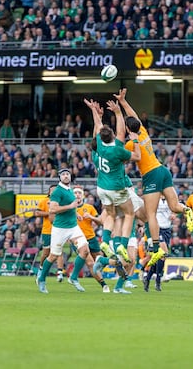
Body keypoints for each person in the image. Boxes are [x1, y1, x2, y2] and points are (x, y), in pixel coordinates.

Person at [113, 88, 193, 267]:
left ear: (127, 129)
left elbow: (120, 147)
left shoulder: (129, 143)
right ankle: (187, 210)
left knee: (150, 214)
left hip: (151, 175)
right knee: (174, 206)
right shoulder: (143, 132)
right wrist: (124, 102)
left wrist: (118, 114)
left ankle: (156, 247)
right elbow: (134, 117)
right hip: (163, 169)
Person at [84, 97, 140, 267]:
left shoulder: (97, 148)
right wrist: (117, 112)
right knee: (130, 214)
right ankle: (122, 245)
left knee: (110, 215)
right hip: (117, 188)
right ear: (113, 137)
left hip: (101, 188)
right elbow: (136, 156)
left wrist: (95, 112)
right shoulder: (117, 150)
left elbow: (97, 129)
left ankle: (105, 241)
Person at [36, 168, 107, 294]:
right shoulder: (57, 191)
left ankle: (73, 277)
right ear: (59, 177)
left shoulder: (69, 190)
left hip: (73, 227)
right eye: (63, 174)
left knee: (85, 251)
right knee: (53, 256)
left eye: (67, 174)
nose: (65, 176)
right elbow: (52, 209)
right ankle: (41, 279)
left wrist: (75, 214)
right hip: (60, 228)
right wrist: (70, 207)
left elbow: (71, 206)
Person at [68, 186, 104, 289]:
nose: (77, 195)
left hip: (91, 238)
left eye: (79, 193)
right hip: (77, 239)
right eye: (75, 193)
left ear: (83, 195)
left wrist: (91, 217)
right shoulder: (69, 208)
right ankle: (103, 285)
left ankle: (95, 276)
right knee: (90, 263)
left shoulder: (89, 207)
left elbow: (100, 222)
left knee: (100, 258)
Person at [32, 184, 65, 280]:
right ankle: (41, 269)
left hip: (59, 230)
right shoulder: (44, 201)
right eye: (52, 190)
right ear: (49, 192)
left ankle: (60, 273)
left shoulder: (61, 202)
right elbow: (37, 213)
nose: (54, 192)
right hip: (47, 231)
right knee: (46, 252)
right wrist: (50, 213)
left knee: (59, 251)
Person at [143, 196, 173, 292]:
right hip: (157, 228)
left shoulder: (170, 198)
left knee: (160, 257)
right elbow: (147, 213)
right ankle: (158, 280)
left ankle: (148, 278)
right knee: (163, 253)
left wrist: (174, 215)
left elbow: (176, 209)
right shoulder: (154, 198)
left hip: (167, 229)